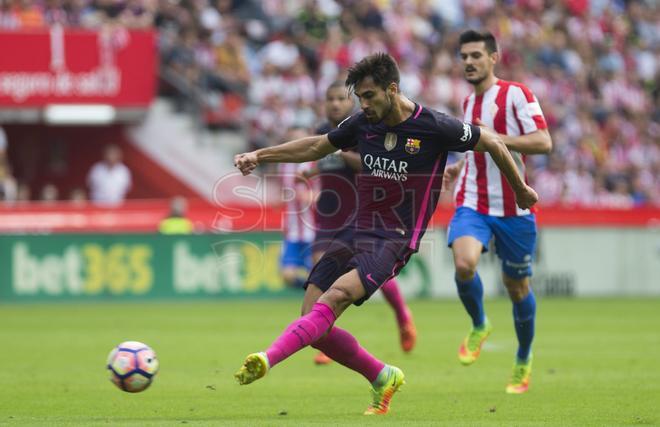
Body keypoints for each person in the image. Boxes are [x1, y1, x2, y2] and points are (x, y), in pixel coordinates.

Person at [233, 52, 538, 415]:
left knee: (334, 299)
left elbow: (493, 143)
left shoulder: (435, 126)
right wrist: (260, 154)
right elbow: (317, 146)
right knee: (314, 325)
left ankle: (267, 358)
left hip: (395, 238)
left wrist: (520, 189)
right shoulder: (362, 123)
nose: (364, 104)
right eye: (360, 97)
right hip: (354, 229)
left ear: (392, 89)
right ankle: (382, 376)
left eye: (370, 96)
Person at [442, 30, 552, 395]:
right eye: (464, 56)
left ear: (494, 58)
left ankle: (523, 357)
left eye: (476, 55)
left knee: (517, 288)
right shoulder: (467, 104)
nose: (469, 62)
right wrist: (459, 166)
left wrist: (495, 140)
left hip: (515, 208)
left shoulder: (515, 94)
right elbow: (474, 145)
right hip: (473, 200)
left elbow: (543, 142)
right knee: (464, 264)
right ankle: (479, 323)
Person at [308, 81, 417, 365]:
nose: (334, 104)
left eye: (339, 99)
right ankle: (324, 336)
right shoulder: (323, 132)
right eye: (329, 99)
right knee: (322, 267)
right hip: (328, 214)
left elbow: (372, 164)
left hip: (359, 212)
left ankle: (402, 314)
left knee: (365, 272)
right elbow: (317, 161)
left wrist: (342, 154)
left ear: (351, 104)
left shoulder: (362, 131)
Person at [278, 127, 316, 289]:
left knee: (315, 273)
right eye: (293, 139)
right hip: (293, 230)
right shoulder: (284, 166)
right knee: (287, 275)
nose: (297, 143)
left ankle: (317, 299)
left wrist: (311, 196)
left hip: (313, 229)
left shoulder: (315, 162)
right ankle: (310, 292)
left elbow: (328, 192)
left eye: (300, 138)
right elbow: (283, 193)